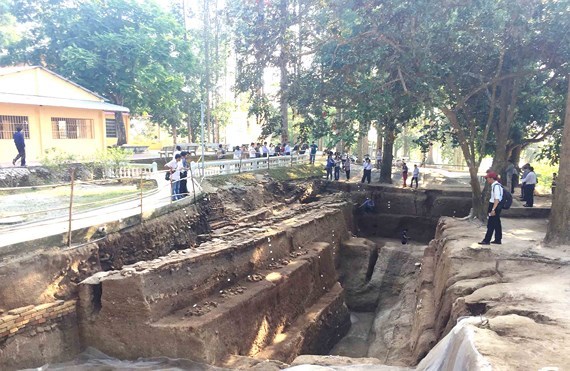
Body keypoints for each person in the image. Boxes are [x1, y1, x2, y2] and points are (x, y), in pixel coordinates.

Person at [479, 171, 503, 245]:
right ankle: (498, 239)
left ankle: (487, 240)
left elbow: (497, 199)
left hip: (494, 205)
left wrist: (493, 209)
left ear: (492, 178)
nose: (487, 180)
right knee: (496, 223)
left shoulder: (496, 186)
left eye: (488, 178)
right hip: (495, 205)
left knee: (491, 224)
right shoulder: (496, 186)